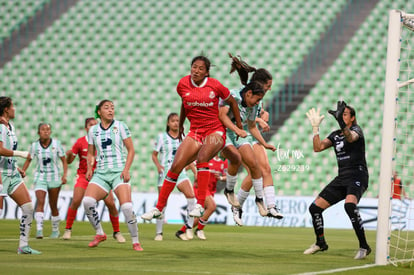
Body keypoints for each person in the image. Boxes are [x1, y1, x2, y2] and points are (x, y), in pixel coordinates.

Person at [141, 55, 243, 221]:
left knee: (203, 157)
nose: (196, 71)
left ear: (207, 72)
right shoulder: (182, 84)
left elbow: (232, 102)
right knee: (175, 166)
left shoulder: (215, 85)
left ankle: (200, 204)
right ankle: (159, 208)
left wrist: (238, 126)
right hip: (195, 131)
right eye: (194, 67)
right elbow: (185, 103)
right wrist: (181, 124)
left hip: (215, 131)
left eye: (200, 69)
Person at [304, 101, 371, 260]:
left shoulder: (356, 130)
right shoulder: (335, 134)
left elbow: (351, 138)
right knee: (314, 208)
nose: (342, 116)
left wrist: (340, 121)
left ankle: (364, 246)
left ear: (352, 118)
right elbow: (318, 147)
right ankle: (321, 243)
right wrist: (315, 129)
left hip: (357, 175)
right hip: (342, 177)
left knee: (349, 205)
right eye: (341, 114)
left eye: (345, 114)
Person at [226, 55, 283, 225]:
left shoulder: (258, 99)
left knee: (255, 172)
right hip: (240, 133)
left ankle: (239, 207)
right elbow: (246, 118)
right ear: (260, 84)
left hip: (250, 133)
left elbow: (252, 117)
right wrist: (259, 120)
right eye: (268, 86)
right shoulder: (245, 95)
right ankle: (269, 205)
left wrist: (261, 118)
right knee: (262, 168)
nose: (269, 89)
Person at [82, 99, 143, 251]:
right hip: (101, 173)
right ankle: (100, 233)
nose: (110, 110)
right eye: (107, 108)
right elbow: (90, 153)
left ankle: (135, 241)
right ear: (99, 112)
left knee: (127, 207)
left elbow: (131, 150)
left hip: (118, 172)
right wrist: (90, 168)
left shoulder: (120, 126)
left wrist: (126, 169)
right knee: (88, 202)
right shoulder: (93, 130)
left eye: (112, 108)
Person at [219, 81, 276, 221]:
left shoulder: (253, 105)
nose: (258, 103)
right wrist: (237, 129)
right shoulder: (232, 96)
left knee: (254, 165)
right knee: (235, 158)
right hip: (221, 131)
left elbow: (251, 127)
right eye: (257, 99)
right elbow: (222, 116)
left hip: (237, 134)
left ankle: (259, 200)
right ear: (249, 94)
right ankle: (229, 190)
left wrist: (264, 143)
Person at [62, 117, 125, 243]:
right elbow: (69, 161)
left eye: (95, 124)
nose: (94, 126)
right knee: (76, 200)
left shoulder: (102, 140)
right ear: (86, 128)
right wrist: (68, 154)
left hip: (100, 176)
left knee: (111, 204)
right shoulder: (80, 142)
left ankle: (117, 232)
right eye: (91, 125)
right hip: (83, 176)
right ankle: (68, 229)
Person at [0, 96, 41, 254]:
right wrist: (21, 154)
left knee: (28, 207)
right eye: (13, 106)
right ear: (6, 109)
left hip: (11, 173)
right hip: (1, 174)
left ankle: (23, 246)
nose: (14, 109)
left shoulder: (10, 127)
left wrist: (16, 167)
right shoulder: (1, 127)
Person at [151, 112, 197, 241]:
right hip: (165, 173)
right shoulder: (162, 137)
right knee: (162, 203)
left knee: (191, 197)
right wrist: (159, 166)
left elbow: (189, 157)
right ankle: (159, 233)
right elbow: (154, 155)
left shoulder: (184, 137)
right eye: (173, 121)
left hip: (180, 172)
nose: (176, 123)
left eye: (177, 120)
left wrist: (194, 171)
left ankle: (188, 227)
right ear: (168, 123)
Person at [22, 122, 68, 239]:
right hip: (40, 177)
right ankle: (39, 230)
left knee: (53, 204)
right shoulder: (34, 146)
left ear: (50, 132)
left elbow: (64, 161)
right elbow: (29, 159)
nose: (46, 131)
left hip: (54, 177)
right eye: (43, 129)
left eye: (48, 129)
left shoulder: (57, 144)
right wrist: (23, 171)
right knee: (40, 201)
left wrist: (64, 175)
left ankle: (55, 230)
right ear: (39, 132)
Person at [193, 154, 228, 240]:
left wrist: (220, 178)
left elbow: (228, 177)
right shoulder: (206, 155)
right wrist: (195, 173)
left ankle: (184, 230)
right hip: (200, 187)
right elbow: (191, 163)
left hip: (211, 190)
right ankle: (199, 230)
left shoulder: (224, 161)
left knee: (202, 214)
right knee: (212, 207)